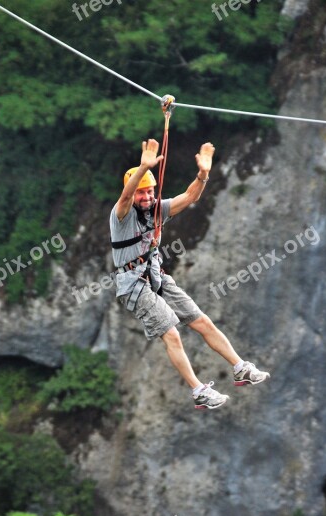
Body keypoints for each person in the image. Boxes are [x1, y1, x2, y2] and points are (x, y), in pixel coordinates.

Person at [109, 138, 270, 409]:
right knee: (171, 332)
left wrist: (203, 174)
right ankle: (199, 392)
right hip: (133, 284)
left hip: (156, 277)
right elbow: (126, 196)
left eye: (150, 192)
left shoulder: (158, 209)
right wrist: (143, 168)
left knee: (201, 321)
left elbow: (190, 196)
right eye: (142, 193)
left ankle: (240, 368)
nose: (147, 197)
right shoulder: (121, 215)